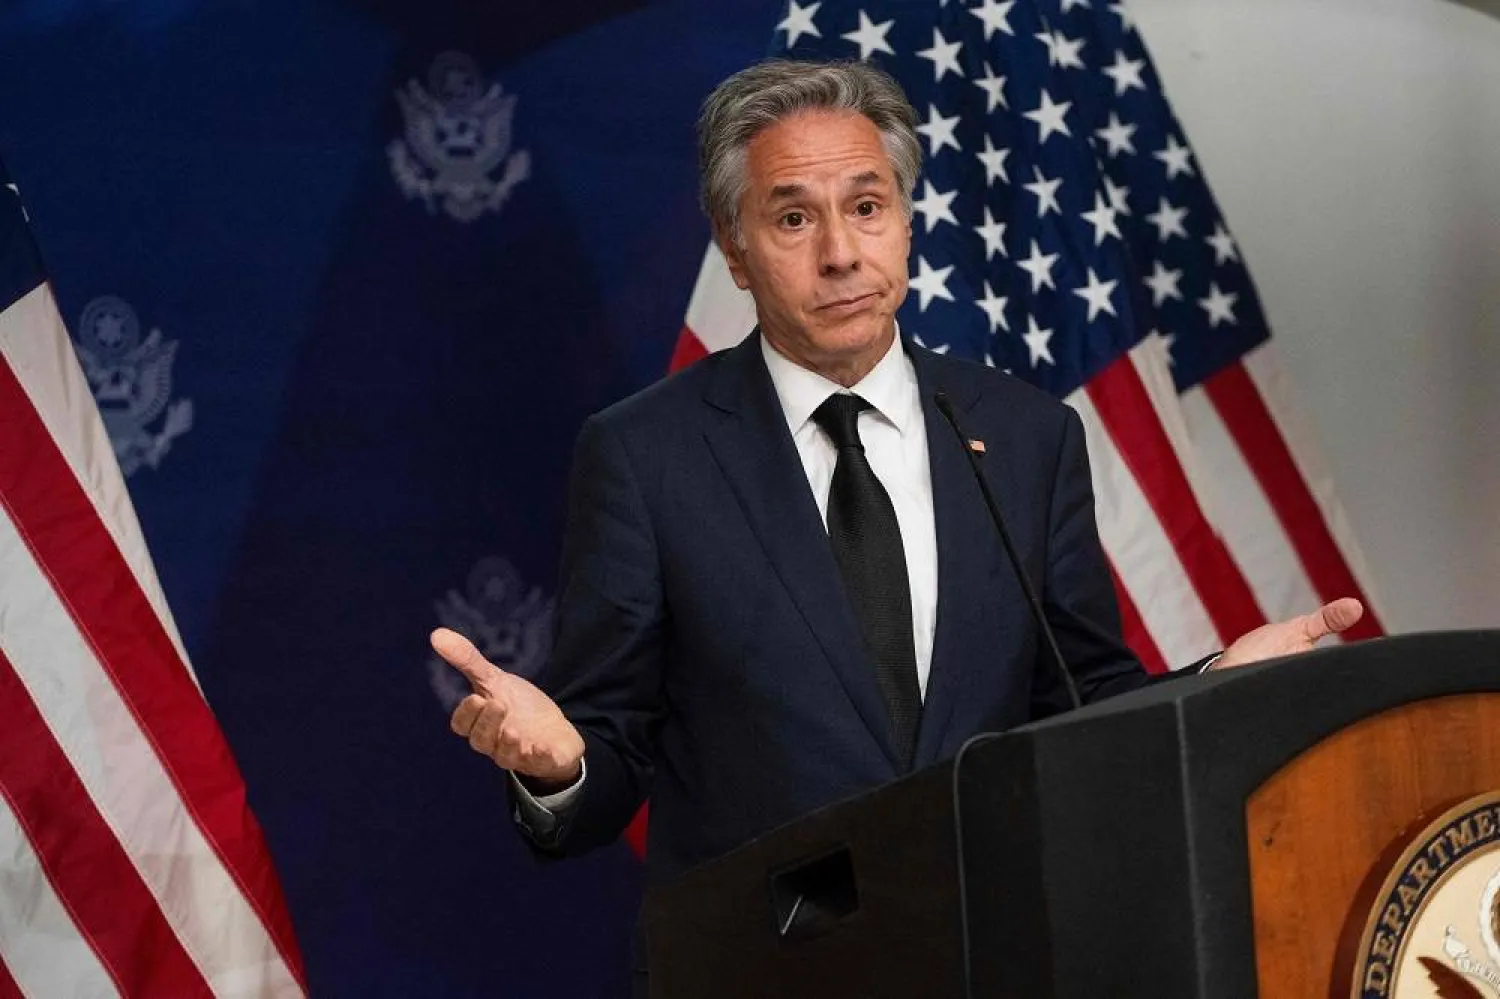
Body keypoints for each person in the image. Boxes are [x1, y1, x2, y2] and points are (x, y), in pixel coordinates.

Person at [431, 59, 1362, 885]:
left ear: (906, 222)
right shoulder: (644, 455)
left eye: (867, 207)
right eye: (794, 217)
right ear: (735, 246)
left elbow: (1083, 710)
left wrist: (1212, 679)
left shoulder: (1029, 435)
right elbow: (609, 753)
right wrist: (559, 766)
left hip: (994, 951)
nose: (841, 253)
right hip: (760, 970)